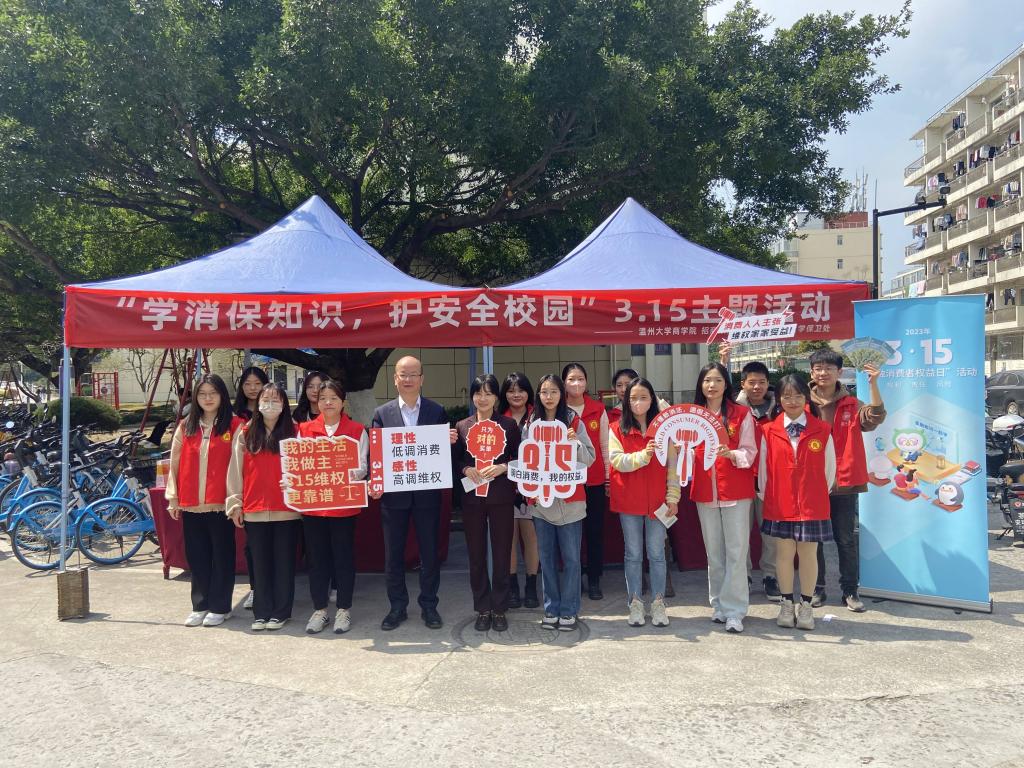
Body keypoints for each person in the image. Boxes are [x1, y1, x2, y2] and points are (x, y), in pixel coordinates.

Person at [370, 356, 450, 631]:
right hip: (394, 498)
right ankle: (397, 607)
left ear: (422, 379)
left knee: (429, 553)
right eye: (403, 374)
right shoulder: (382, 414)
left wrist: (449, 441)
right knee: (393, 555)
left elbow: (442, 454)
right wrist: (375, 481)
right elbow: (376, 455)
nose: (408, 379)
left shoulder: (437, 411)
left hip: (427, 494)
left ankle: (429, 605)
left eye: (413, 374)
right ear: (395, 379)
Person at [808, 349, 885, 612]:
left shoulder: (852, 403)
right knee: (813, 540)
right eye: (818, 368)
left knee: (845, 539)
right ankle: (816, 589)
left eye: (829, 368)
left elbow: (874, 419)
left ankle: (850, 591)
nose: (823, 373)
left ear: (839, 372)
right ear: (812, 372)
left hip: (843, 480)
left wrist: (873, 385)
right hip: (811, 481)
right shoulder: (802, 402)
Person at [757, 374, 836, 631]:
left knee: (808, 554)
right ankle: (786, 603)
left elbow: (829, 470)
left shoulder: (822, 429)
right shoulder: (768, 431)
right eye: (787, 396)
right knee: (783, 554)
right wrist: (769, 496)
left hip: (812, 503)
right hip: (780, 503)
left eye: (798, 396)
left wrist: (816, 493)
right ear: (779, 399)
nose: (792, 401)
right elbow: (764, 471)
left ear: (807, 398)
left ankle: (806, 606)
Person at [165, 374, 245, 627]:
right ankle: (200, 604)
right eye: (202, 394)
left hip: (221, 503)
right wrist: (173, 497)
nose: (208, 398)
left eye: (213, 393)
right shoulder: (186, 426)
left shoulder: (235, 425)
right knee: (197, 556)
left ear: (222, 395)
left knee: (222, 556)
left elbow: (239, 465)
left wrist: (236, 500)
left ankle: (221, 606)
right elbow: (174, 462)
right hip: (191, 503)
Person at [226, 383, 300, 631]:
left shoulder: (295, 431)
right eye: (265, 400)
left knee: (284, 563)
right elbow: (235, 470)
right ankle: (261, 612)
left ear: (284, 404)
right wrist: (235, 503)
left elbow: (304, 468)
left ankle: (281, 612)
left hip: (287, 509)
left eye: (276, 399)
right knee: (259, 563)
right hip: (254, 509)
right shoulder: (246, 432)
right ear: (257, 404)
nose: (270, 404)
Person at [690, 363, 758, 633]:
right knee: (714, 552)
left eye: (718, 380)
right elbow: (685, 450)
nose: (712, 385)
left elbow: (750, 451)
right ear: (701, 384)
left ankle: (735, 610)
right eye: (707, 380)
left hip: (735, 490)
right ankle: (718, 604)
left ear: (726, 384)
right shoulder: (693, 415)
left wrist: (732, 454)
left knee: (736, 551)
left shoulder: (741, 414)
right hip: (705, 490)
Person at [297, 380, 368, 635]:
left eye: (334, 398)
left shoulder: (356, 430)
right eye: (323, 398)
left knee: (343, 558)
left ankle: (343, 609)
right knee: (317, 560)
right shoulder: (304, 429)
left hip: (343, 505)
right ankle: (319, 610)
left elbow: (362, 466)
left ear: (343, 402)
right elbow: (297, 462)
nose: (328, 403)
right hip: (314, 507)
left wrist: (342, 471)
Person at [609, 377, 679, 628]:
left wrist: (673, 497)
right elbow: (616, 461)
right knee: (633, 554)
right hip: (629, 501)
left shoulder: (665, 430)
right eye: (633, 398)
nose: (638, 402)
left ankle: (659, 602)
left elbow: (673, 467)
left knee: (657, 553)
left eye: (643, 397)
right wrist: (643, 456)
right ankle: (635, 602)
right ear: (626, 401)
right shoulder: (617, 428)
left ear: (652, 400)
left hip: (658, 503)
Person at [454, 375, 522, 632]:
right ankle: (482, 608)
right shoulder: (462, 426)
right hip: (472, 498)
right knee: (476, 554)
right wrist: (466, 469)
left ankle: (500, 608)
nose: (482, 398)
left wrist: (503, 467)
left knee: (502, 552)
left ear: (496, 397)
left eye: (488, 393)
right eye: (478, 393)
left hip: (501, 497)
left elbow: (520, 457)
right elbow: (455, 460)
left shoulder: (508, 425)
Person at [529, 374, 596, 631]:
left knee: (571, 560)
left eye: (554, 392)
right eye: (544, 392)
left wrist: (574, 442)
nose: (549, 397)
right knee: (546, 559)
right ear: (538, 395)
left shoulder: (573, 420)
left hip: (570, 502)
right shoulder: (531, 423)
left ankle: (569, 610)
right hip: (541, 503)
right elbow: (525, 461)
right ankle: (551, 609)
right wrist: (531, 493)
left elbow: (589, 458)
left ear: (561, 394)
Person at [734, 361, 782, 602]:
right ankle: (743, 575)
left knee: (770, 534)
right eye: (751, 382)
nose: (757, 387)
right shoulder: (734, 409)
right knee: (740, 533)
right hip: (741, 479)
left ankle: (770, 576)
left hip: (770, 480)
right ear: (743, 384)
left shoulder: (780, 409)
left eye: (761, 382)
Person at [562, 363, 609, 600]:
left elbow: (604, 446)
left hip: (594, 480)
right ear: (564, 383)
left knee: (594, 531)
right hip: (566, 480)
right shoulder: (558, 410)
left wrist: (608, 477)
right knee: (570, 533)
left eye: (580, 378)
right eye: (571, 379)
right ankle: (575, 577)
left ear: (586, 382)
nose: (576, 383)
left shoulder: (598, 409)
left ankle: (594, 579)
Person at [497, 371, 539, 610]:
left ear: (528, 392)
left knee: (531, 536)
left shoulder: (538, 416)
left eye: (521, 390)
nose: (516, 395)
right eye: (511, 390)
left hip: (532, 486)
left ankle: (531, 585)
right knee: (508, 538)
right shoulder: (496, 418)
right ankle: (512, 586)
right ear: (504, 394)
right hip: (504, 486)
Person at [232, 365, 269, 610]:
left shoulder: (275, 412)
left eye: (257, 383)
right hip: (247, 486)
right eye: (248, 384)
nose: (253, 388)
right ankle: (256, 588)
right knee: (252, 544)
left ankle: (272, 587)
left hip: (271, 486)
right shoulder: (236, 417)